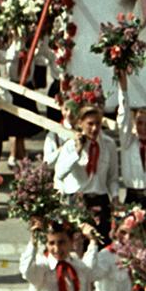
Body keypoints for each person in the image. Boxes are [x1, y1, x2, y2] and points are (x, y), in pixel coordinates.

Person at [53, 101, 119, 243]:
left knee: (100, 245)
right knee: (77, 246)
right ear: (80, 123)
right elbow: (60, 173)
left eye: (98, 124)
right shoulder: (70, 146)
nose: (95, 128)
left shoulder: (108, 144)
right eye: (90, 124)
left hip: (100, 200)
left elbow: (113, 177)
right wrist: (77, 151)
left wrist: (115, 197)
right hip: (77, 201)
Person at [115, 73, 146, 216]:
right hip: (134, 198)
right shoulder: (128, 142)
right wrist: (123, 89)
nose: (143, 128)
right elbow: (123, 118)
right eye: (140, 123)